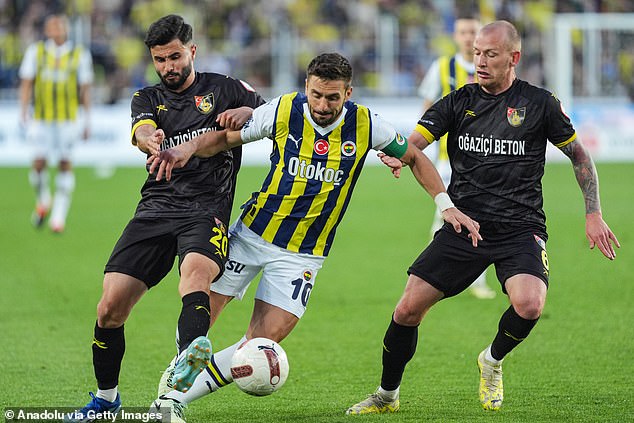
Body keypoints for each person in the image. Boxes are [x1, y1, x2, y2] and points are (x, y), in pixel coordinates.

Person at [146, 52, 481, 421]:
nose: (323, 105)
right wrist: (188, 147)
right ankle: (168, 400)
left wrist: (445, 204)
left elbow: (415, 156)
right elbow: (227, 137)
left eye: (333, 97)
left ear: (348, 93)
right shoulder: (284, 109)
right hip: (253, 234)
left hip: (303, 255)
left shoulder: (368, 124)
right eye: (317, 95)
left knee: (259, 344)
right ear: (306, 87)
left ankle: (170, 401)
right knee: (199, 318)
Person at [347, 20, 620, 415]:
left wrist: (593, 213)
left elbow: (579, 155)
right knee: (407, 310)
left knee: (529, 304)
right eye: (476, 53)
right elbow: (418, 140)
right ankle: (386, 395)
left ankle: (492, 360)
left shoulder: (540, 103)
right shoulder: (458, 101)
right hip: (464, 226)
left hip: (520, 228)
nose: (480, 61)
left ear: (514, 58)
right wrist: (400, 153)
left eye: (490, 54)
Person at [65, 15, 265, 422]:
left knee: (195, 279)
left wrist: (246, 111)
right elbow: (141, 130)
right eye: (160, 60)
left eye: (175, 57)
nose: (169, 67)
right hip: (155, 209)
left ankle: (177, 385)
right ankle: (107, 400)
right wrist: (148, 138)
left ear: (192, 51)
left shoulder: (226, 89)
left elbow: (274, 114)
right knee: (109, 309)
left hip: (207, 208)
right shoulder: (146, 98)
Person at [418, 16, 496, 299]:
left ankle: (477, 282)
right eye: (462, 32)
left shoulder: (490, 68)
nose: (467, 37)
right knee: (444, 217)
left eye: (472, 32)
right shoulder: (441, 67)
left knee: (481, 216)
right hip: (446, 161)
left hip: (483, 160)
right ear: (455, 35)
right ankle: (434, 274)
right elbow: (427, 112)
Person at [19, 13, 93, 233]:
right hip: (41, 118)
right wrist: (23, 110)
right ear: (47, 31)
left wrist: (87, 118)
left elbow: (85, 88)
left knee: (64, 163)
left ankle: (58, 217)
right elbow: (27, 82)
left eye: (60, 26)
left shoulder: (79, 54)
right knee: (39, 162)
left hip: (68, 119)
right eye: (52, 26)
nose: (57, 30)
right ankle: (43, 199)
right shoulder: (36, 52)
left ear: (66, 29)